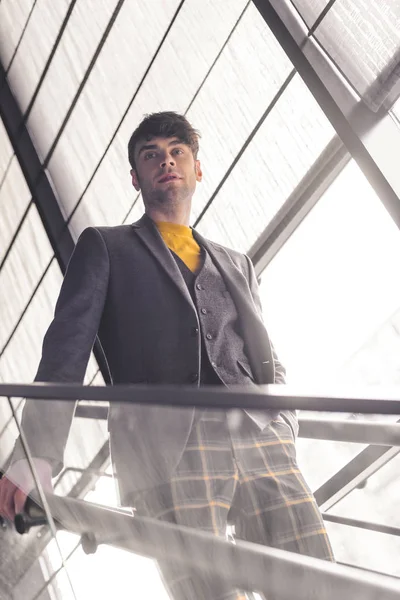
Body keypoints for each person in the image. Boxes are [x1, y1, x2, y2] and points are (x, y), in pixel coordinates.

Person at [0, 112, 333, 599]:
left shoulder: (236, 262)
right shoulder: (104, 247)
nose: (166, 161)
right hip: (168, 452)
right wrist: (38, 453)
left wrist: (282, 422)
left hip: (263, 440)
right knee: (206, 593)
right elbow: (66, 345)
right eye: (151, 154)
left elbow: (266, 356)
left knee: (319, 583)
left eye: (178, 151)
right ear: (135, 177)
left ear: (198, 169)